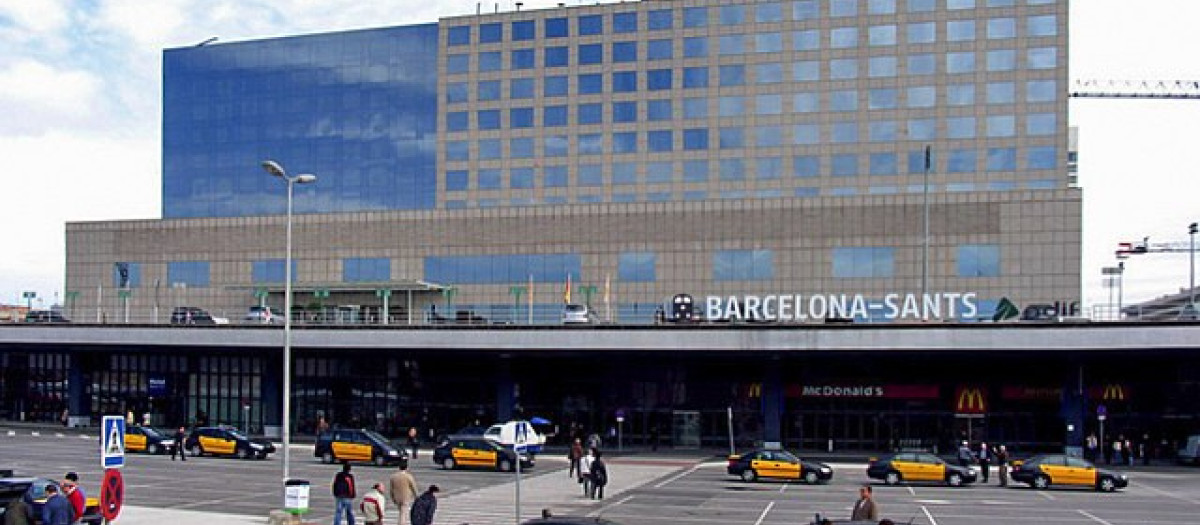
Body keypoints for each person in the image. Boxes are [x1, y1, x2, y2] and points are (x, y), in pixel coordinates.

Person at [388, 459, 418, 525]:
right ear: (406, 468)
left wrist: (392, 498)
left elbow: (391, 489)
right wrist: (416, 496)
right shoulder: (408, 476)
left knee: (401, 512)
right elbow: (413, 487)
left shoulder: (393, 477)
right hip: (406, 497)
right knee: (403, 513)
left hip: (397, 497)